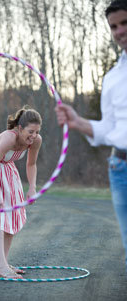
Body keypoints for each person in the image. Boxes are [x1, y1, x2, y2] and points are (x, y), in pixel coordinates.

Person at [55, 0, 127, 273]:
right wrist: (78, 122)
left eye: (124, 23)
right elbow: (110, 129)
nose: (119, 31)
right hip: (121, 168)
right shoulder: (112, 78)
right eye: (114, 26)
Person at [0, 106, 42, 279]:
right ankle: (1, 266)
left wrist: (32, 187)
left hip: (8, 170)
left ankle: (3, 262)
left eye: (37, 132)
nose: (33, 136)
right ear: (20, 128)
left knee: (13, 214)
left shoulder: (36, 141)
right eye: (30, 131)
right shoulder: (8, 139)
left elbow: (31, 164)